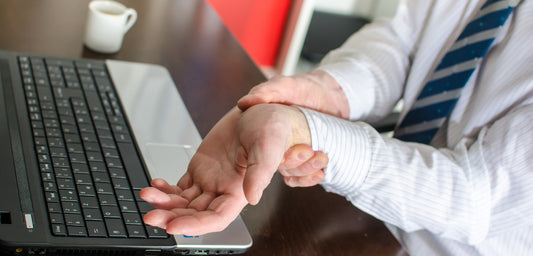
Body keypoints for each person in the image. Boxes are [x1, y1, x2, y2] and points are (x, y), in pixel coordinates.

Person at [140, 0, 533, 254]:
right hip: (374, 215)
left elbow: (477, 196)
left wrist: (309, 131)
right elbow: (400, 41)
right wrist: (327, 89)